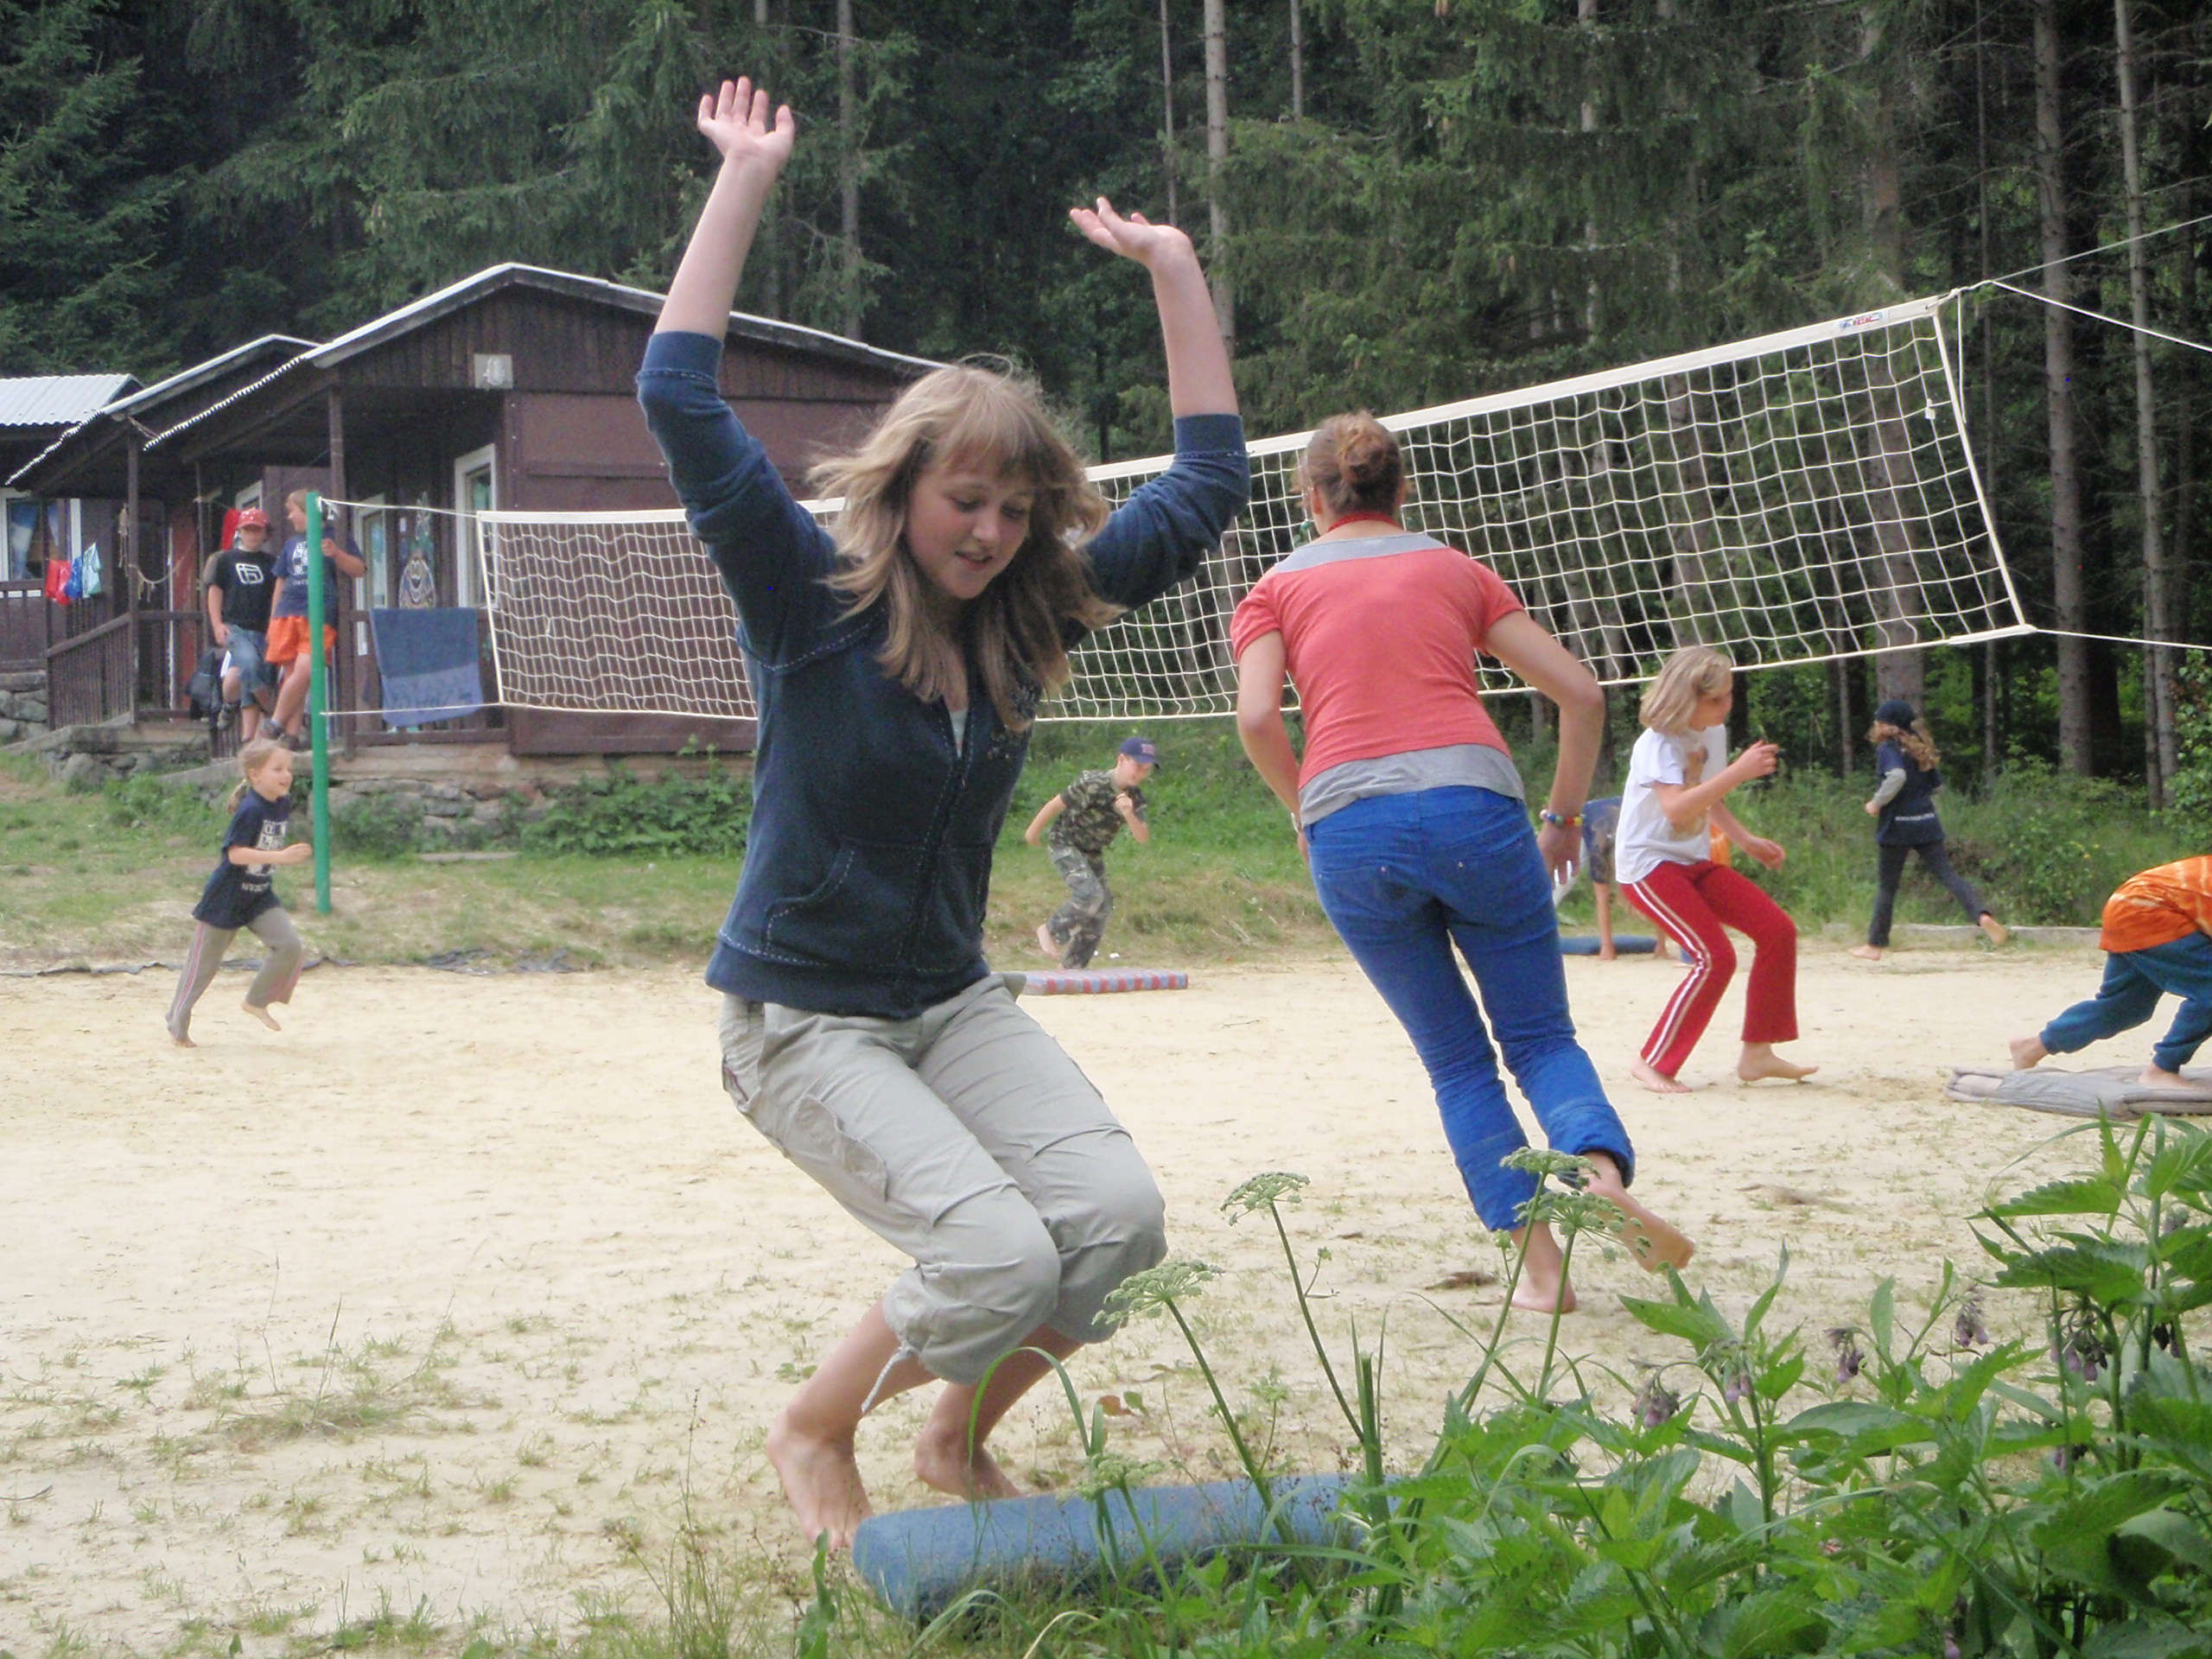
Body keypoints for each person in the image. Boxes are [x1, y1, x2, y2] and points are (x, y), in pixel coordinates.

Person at [635, 79, 1246, 1550]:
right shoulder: (808, 601)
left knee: (1115, 1228)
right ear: (906, 486)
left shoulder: (1033, 613)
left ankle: (955, 1437)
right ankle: (812, 1429)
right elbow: (677, 395)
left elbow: (1212, 479)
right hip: (805, 1020)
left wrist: (1174, 267)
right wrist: (745, 176)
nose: (989, 531)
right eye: (965, 500)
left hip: (950, 1002)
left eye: (1016, 511)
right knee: (992, 1254)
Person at [1231, 411, 1693, 1316]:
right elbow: (1582, 695)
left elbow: (1255, 719)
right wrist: (1563, 818)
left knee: (1456, 1063)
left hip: (1350, 825)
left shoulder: (1273, 590)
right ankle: (1598, 1170)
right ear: (1401, 488)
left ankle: (1543, 1273)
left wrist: (1302, 807)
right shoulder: (1453, 569)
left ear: (1311, 496)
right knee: (1541, 1039)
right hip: (1474, 807)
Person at [1615, 646, 1817, 1093]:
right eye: (1717, 699)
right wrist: (1740, 772)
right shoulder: (1658, 743)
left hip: (1691, 861)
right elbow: (1675, 807)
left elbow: (1707, 795)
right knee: (1715, 957)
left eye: (1729, 695)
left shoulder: (1712, 733)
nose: (1728, 705)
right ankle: (1652, 1062)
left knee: (1777, 931)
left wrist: (1745, 840)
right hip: (1649, 865)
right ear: (1687, 698)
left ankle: (1758, 1053)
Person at [2011, 856, 2212, 1093]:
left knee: (2125, 1007)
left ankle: (2032, 1048)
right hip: (2151, 909)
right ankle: (2162, 1070)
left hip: (2129, 904)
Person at [166, 738, 312, 1046]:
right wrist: (280, 857)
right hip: (226, 898)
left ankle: (257, 1001)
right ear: (254, 775)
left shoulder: (281, 804)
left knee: (290, 946)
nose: (286, 775)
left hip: (258, 895)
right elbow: (235, 855)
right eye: (277, 769)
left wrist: (277, 859)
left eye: (288, 769)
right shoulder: (251, 809)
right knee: (202, 968)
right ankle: (177, 1024)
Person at [1847, 698, 2006, 962]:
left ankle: (1874, 945)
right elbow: (1936, 785)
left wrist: (1876, 803)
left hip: (1897, 825)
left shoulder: (1888, 748)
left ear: (1887, 725)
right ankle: (1982, 915)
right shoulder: (1919, 749)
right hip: (1926, 821)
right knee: (1948, 874)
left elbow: (1897, 776)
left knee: (1887, 887)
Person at [1027, 735, 1156, 968]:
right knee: (1090, 893)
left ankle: (1073, 966)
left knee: (1102, 908)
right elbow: (1056, 804)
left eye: (1146, 770)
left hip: (1092, 851)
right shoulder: (1094, 784)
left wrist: (1129, 814)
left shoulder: (1135, 799)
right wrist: (1032, 833)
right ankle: (1050, 930)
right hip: (1065, 843)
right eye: (1137, 766)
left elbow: (1142, 837)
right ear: (1121, 760)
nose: (1140, 774)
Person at [266, 489, 365, 746]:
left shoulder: (336, 537)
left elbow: (359, 569)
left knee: (306, 669)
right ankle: (292, 734)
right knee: (292, 675)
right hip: (287, 611)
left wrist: (336, 554)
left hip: (319, 613)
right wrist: (273, 617)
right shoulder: (291, 543)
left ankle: (274, 722)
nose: (290, 517)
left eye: (293, 511)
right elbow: (280, 581)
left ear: (308, 511)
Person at [205, 508, 278, 737]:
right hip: (236, 628)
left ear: (265, 533)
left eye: (257, 530)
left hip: (263, 630)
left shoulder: (272, 563)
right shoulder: (226, 559)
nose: (252, 535)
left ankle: (246, 732)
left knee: (249, 677)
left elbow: (277, 596)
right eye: (248, 530)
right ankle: (275, 714)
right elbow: (215, 592)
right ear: (240, 532)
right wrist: (217, 624)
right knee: (250, 664)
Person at [1580, 795, 1669, 962]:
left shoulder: (1646, 849)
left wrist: (1661, 946)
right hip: (1593, 815)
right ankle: (1607, 947)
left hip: (1631, 818)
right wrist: (1606, 947)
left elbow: (1660, 892)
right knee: (1602, 890)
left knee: (1656, 885)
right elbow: (1601, 897)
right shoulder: (1600, 850)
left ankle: (1661, 946)